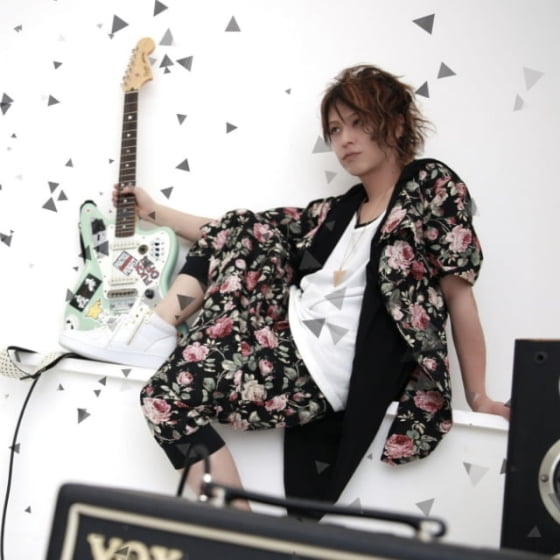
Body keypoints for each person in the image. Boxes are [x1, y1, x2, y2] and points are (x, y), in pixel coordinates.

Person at [63, 65, 510, 510]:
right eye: (335, 130)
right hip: (278, 335)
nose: (345, 139)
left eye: (358, 122)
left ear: (394, 123)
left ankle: (158, 339)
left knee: (164, 397)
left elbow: (458, 293)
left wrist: (478, 396)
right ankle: (159, 330)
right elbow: (233, 232)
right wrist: (154, 212)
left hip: (320, 369)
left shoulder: (429, 186)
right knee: (241, 231)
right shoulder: (335, 214)